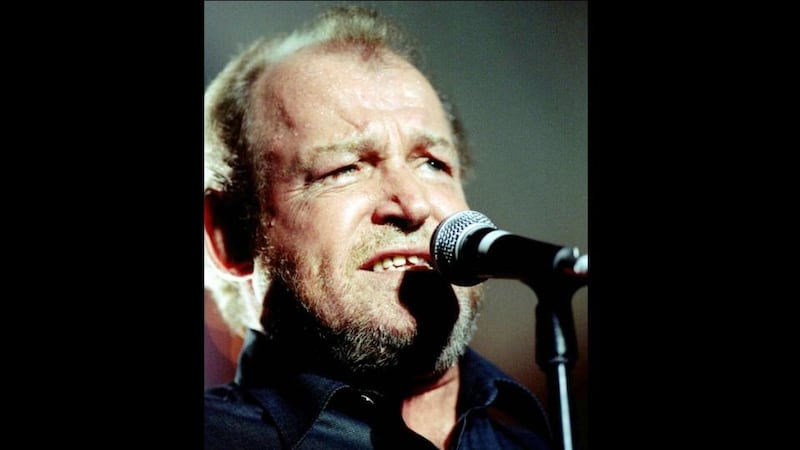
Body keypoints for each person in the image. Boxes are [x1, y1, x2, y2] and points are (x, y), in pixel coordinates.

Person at [204, 5, 553, 449]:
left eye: (433, 163)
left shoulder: (540, 429)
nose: (413, 204)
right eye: (345, 168)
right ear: (229, 234)